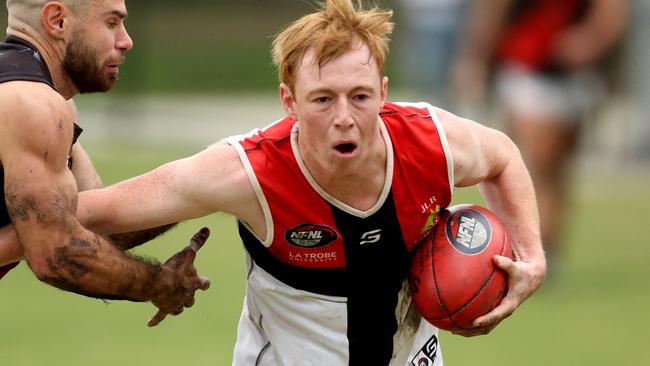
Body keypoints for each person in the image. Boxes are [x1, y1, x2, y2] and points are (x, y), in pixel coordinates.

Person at [0, 0, 546, 363]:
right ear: (289, 103)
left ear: (383, 91)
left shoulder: (432, 142)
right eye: (322, 100)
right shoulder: (246, 172)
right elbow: (78, 220)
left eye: (360, 97)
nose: (344, 117)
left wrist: (531, 254)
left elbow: (503, 156)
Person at [0, 0, 210, 326]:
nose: (126, 41)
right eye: (112, 23)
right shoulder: (31, 104)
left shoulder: (47, 103)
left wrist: (209, 186)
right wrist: (159, 282)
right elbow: (58, 252)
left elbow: (96, 220)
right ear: (57, 21)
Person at [452, 0, 629, 273]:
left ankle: (546, 250)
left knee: (556, 170)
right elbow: (491, 12)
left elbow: (612, 14)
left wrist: (589, 41)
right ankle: (524, 249)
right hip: (527, 67)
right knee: (537, 163)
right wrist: (476, 59)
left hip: (573, 76)